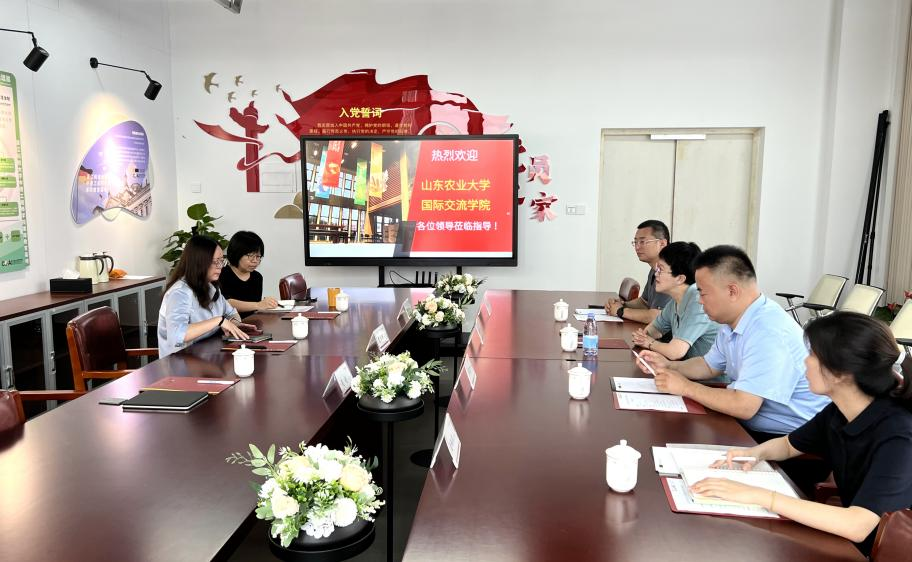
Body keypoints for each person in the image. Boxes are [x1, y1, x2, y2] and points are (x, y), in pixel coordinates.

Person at [691, 312, 912, 556]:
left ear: (840, 373)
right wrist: (753, 454)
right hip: (847, 544)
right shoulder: (840, 410)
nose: (805, 361)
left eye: (813, 355)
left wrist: (757, 495)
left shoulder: (900, 435)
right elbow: (789, 445)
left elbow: (858, 524)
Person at [636, 245, 830, 439]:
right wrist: (668, 366)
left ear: (732, 291)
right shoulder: (733, 321)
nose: (700, 301)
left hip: (789, 439)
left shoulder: (768, 331)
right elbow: (708, 366)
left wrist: (685, 387)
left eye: (703, 293)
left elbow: (744, 406)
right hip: (750, 425)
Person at [158, 235, 250, 358]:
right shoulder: (179, 293)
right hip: (180, 362)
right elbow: (177, 335)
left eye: (221, 261)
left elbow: (231, 313)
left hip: (206, 356)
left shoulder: (211, 286)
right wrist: (218, 321)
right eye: (215, 261)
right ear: (199, 262)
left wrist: (234, 324)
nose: (220, 266)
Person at [630, 241, 718, 360]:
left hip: (708, 372)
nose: (656, 274)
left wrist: (649, 342)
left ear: (680, 278)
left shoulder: (699, 302)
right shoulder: (676, 301)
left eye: (660, 269)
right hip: (684, 367)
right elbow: (653, 330)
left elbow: (675, 352)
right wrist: (643, 337)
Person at [606, 220, 672, 324]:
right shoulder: (654, 270)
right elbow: (644, 302)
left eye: (642, 242)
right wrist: (621, 304)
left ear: (662, 243)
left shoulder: (670, 272)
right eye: (635, 242)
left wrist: (621, 311)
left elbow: (658, 317)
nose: (637, 247)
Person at [219, 231, 278, 318]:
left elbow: (254, 309)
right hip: (230, 324)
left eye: (258, 256)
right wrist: (259, 305)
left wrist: (266, 304)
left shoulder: (257, 277)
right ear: (237, 253)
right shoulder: (222, 274)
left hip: (252, 322)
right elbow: (225, 303)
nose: (255, 261)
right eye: (250, 256)